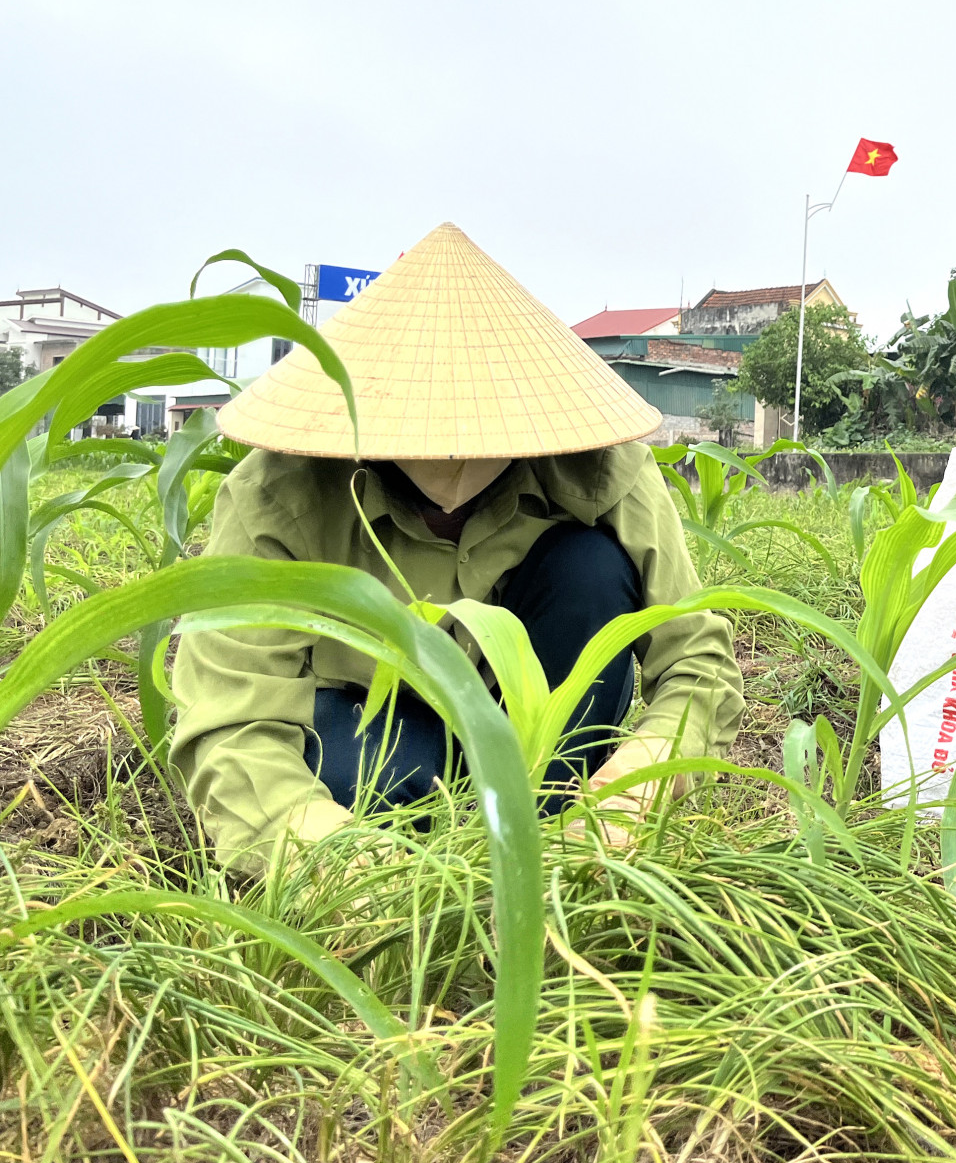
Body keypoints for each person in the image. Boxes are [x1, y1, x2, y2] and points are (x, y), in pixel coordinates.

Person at [172, 222, 744, 874]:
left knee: (589, 567)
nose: (453, 457)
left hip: (544, 735)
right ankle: (435, 856)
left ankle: (552, 846)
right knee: (349, 761)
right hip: (380, 744)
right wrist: (350, 874)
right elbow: (232, 725)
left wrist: (638, 788)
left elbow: (696, 656)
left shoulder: (600, 469)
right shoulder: (279, 495)